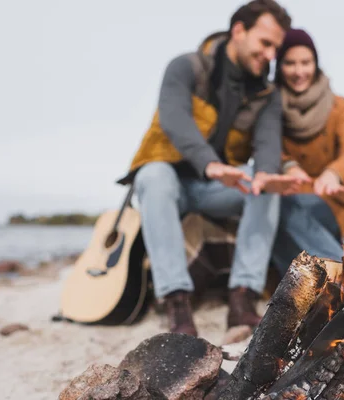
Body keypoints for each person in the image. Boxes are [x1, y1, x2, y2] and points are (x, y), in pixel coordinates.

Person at [116, 0, 295, 336]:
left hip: (217, 190)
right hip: (172, 184)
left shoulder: (267, 94)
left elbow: (268, 143)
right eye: (265, 43)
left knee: (264, 184)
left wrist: (268, 173)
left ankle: (242, 300)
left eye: (276, 47)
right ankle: (177, 302)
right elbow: (174, 118)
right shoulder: (186, 67)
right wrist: (209, 163)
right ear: (239, 31)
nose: (271, 55)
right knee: (152, 175)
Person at [271, 28, 344, 274]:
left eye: (305, 62)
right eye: (290, 63)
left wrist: (333, 173)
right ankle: (312, 290)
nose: (299, 71)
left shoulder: (338, 106)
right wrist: (288, 166)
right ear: (279, 66)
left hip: (333, 200)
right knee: (276, 213)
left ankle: (339, 275)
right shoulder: (269, 106)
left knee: (287, 215)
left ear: (316, 63)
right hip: (289, 195)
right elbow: (265, 147)